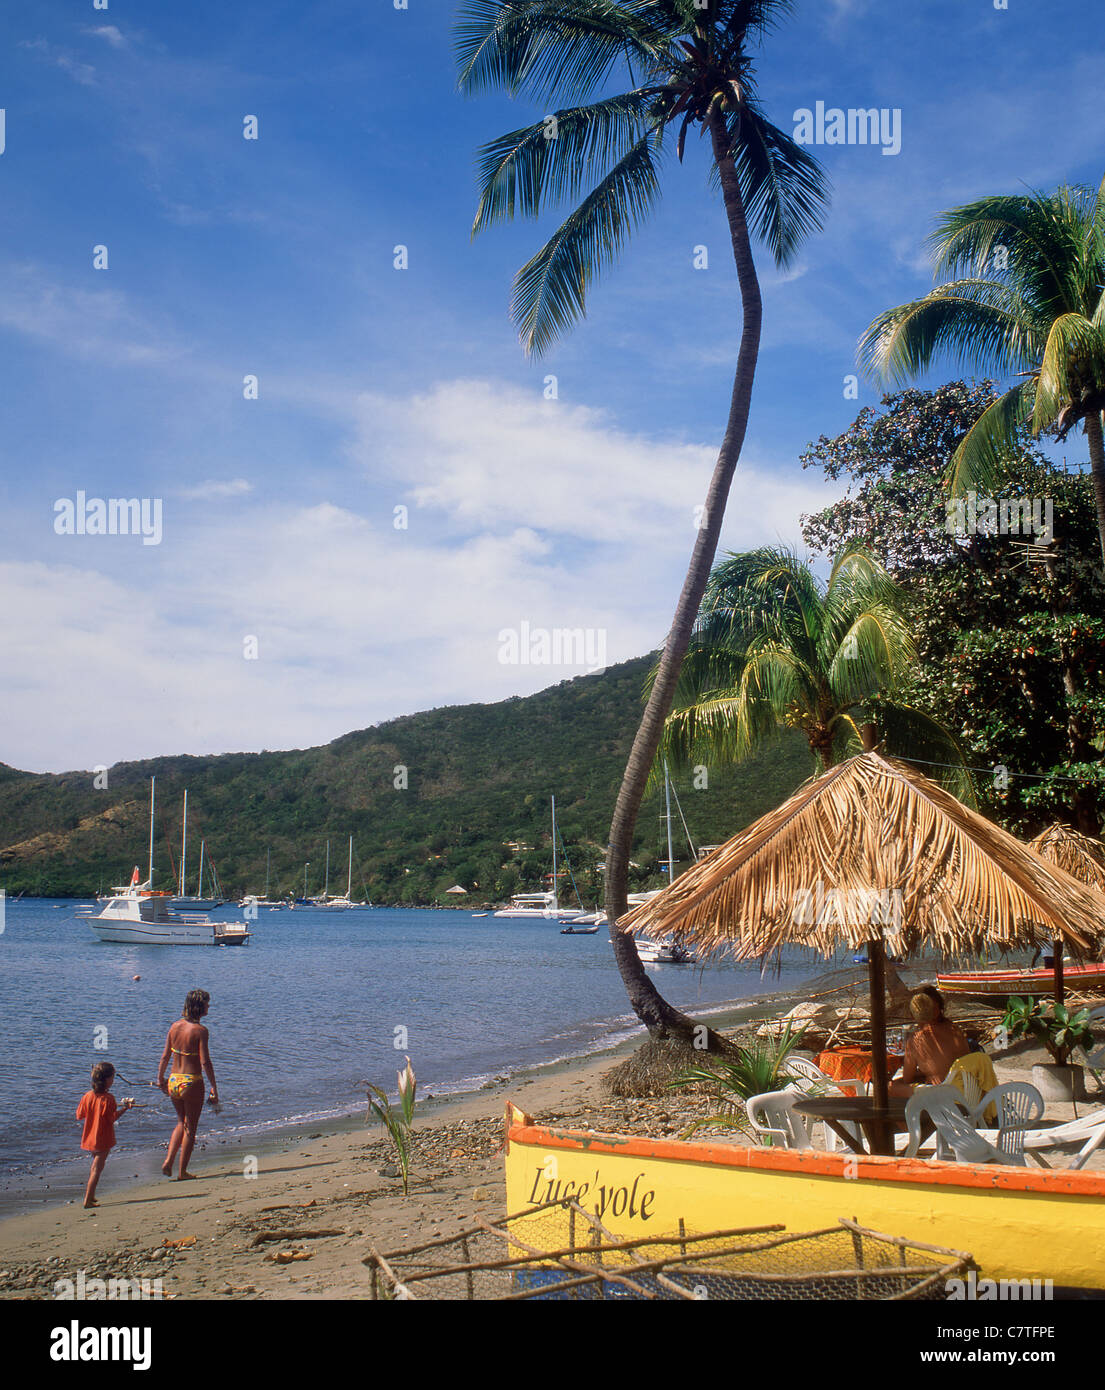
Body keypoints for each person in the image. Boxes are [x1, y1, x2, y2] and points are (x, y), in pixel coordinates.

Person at [156, 989, 218, 1181]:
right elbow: (205, 1062)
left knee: (180, 1122)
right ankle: (182, 1172)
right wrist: (214, 1086)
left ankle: (168, 1161)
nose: (209, 1006)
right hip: (191, 1081)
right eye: (207, 1003)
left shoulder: (174, 1026)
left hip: (174, 1080)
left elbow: (165, 1055)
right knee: (191, 1127)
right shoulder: (201, 1031)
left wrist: (160, 1079)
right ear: (199, 1007)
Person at [889, 988, 970, 1098]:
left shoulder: (917, 1039)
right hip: (967, 1089)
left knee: (890, 1087)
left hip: (942, 1093)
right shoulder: (955, 1029)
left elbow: (908, 1078)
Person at [76, 1062, 135, 1208]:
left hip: (89, 1138)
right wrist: (126, 1108)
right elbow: (112, 1118)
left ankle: (91, 1196)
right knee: (97, 1170)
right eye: (113, 1078)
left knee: (94, 1168)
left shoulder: (87, 1096)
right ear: (107, 1080)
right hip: (102, 1139)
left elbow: (80, 1115)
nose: (113, 1080)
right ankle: (88, 1199)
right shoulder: (108, 1098)